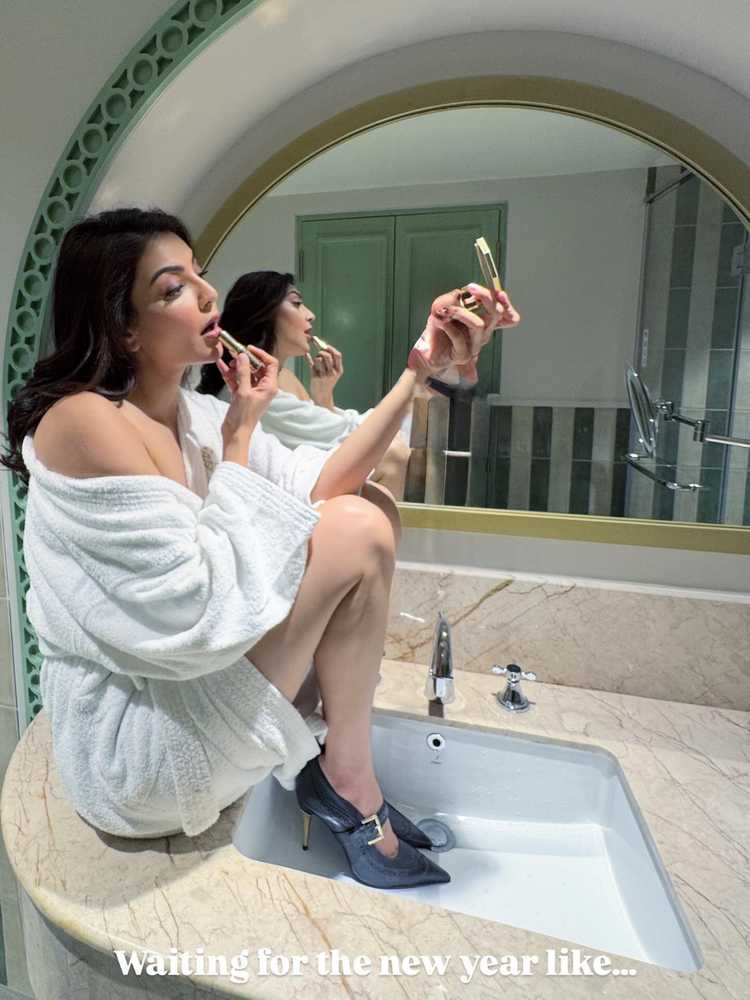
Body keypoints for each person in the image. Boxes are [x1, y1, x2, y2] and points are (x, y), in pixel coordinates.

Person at [1, 208, 520, 889]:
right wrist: (241, 441)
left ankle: (346, 773)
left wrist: (418, 372)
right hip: (137, 749)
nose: (207, 294)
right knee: (355, 528)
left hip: (192, 687)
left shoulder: (196, 413)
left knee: (370, 511)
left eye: (199, 274)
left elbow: (326, 485)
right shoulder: (84, 420)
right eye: (173, 288)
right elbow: (196, 611)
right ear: (123, 326)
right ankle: (348, 783)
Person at [196, 271, 413, 500]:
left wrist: (324, 395)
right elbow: (351, 434)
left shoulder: (286, 377)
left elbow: (325, 437)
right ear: (264, 313)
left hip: (302, 481)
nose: (310, 315)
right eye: (297, 303)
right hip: (281, 497)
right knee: (394, 452)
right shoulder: (254, 389)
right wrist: (415, 379)